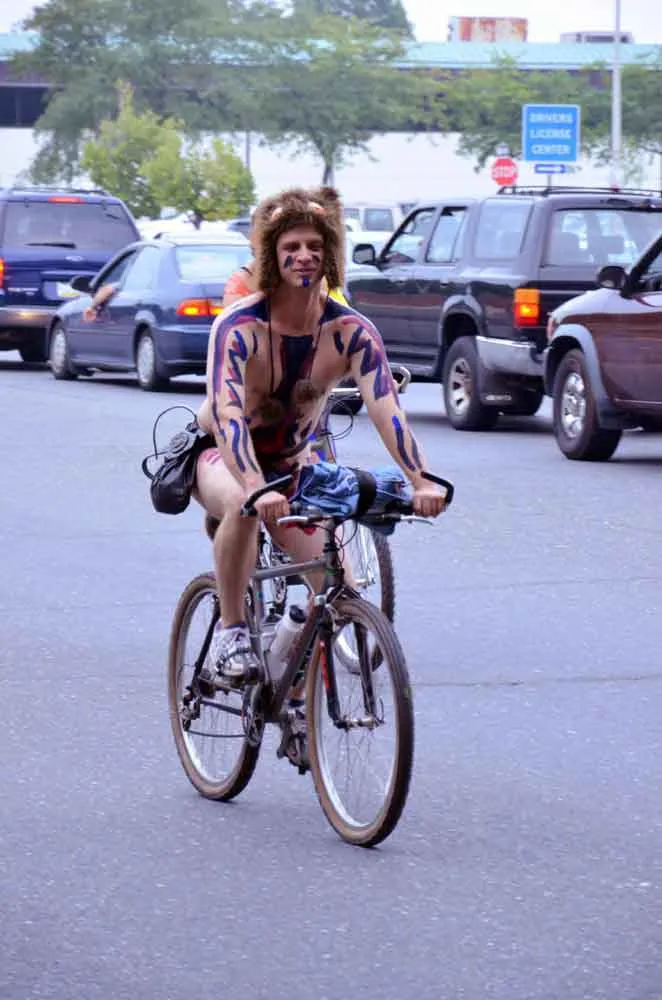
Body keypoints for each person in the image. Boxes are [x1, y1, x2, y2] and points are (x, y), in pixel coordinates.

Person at [193, 185, 448, 691]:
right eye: (291, 247)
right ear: (272, 257)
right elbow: (227, 414)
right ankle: (231, 632)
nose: (304, 256)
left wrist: (421, 479)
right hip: (224, 458)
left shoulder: (351, 331)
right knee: (244, 505)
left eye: (314, 245)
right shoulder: (239, 326)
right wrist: (254, 485)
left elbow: (387, 409)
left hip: (294, 466)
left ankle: (292, 694)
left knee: (336, 591)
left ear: (330, 254)